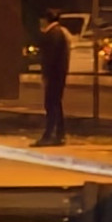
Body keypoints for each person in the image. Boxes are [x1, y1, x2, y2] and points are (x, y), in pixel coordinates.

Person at [33, 9, 75, 147]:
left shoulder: (53, 34)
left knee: (51, 104)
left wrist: (46, 74)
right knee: (56, 103)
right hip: (58, 73)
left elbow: (50, 57)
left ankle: (50, 135)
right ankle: (59, 134)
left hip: (54, 74)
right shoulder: (58, 32)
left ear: (46, 19)